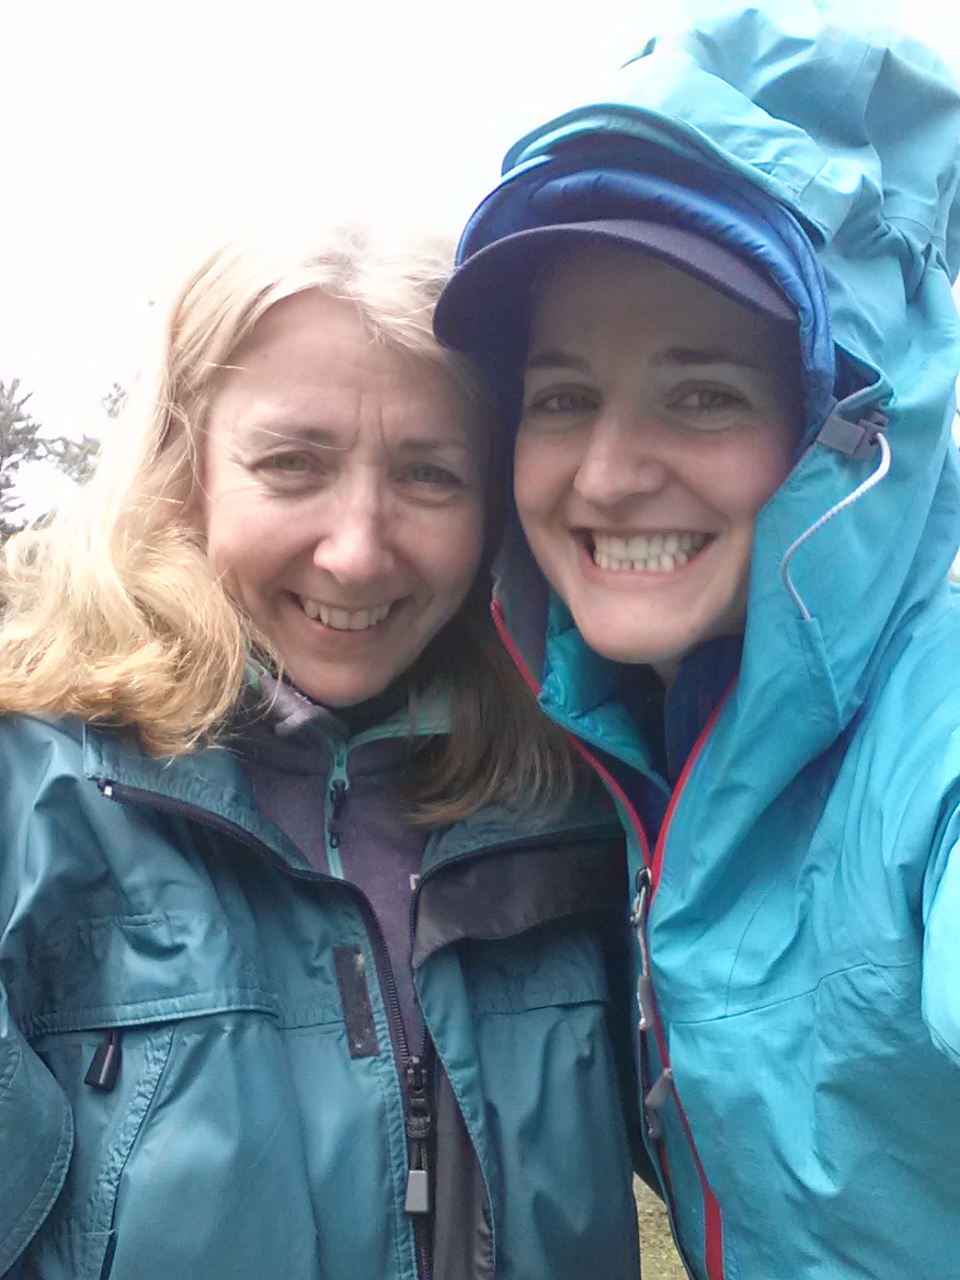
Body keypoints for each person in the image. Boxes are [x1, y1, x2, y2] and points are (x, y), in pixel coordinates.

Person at [0, 229, 642, 1279]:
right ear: (184, 471)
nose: (356, 552)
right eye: (292, 464)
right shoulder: (32, 801)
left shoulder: (574, 794)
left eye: (430, 474)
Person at [434, 5, 960, 1277]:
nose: (608, 474)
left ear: (856, 423)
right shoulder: (624, 728)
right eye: (564, 395)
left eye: (705, 393)